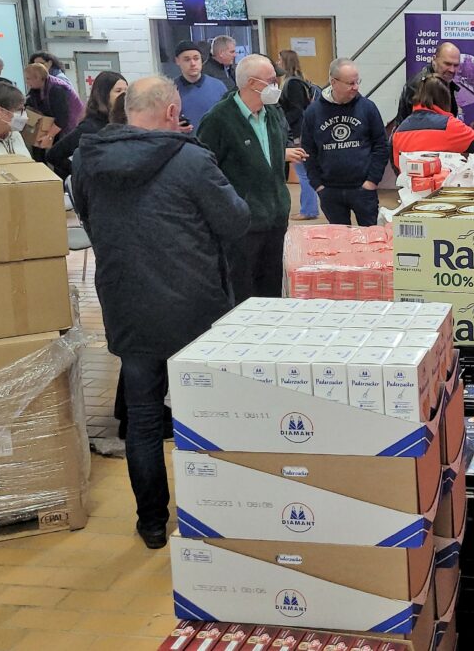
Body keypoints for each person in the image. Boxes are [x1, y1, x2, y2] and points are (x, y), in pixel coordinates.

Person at [72, 76, 250, 549]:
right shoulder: (190, 160)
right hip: (195, 308)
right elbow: (235, 221)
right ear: (172, 112)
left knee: (144, 419)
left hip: (128, 303)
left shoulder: (88, 159)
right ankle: (213, 515)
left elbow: (89, 219)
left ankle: (151, 523)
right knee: (207, 416)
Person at [195, 54, 296, 301]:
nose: (276, 87)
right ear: (252, 83)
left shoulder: (272, 113)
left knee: (272, 290)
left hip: (276, 219)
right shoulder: (218, 120)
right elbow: (204, 171)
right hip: (242, 226)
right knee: (243, 292)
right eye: (271, 81)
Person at [302, 57, 389, 227]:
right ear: (333, 82)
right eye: (350, 83)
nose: (356, 87)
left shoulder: (367, 108)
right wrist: (318, 185)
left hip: (363, 189)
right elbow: (308, 151)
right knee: (339, 242)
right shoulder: (313, 112)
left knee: (372, 239)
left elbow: (381, 146)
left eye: (357, 81)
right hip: (329, 191)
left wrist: (372, 182)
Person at [391, 76, 474, 169]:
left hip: (409, 185)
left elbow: (398, 164)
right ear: (445, 100)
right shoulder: (449, 125)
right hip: (443, 185)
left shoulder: (399, 131)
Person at [43, 72, 127, 179]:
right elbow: (54, 155)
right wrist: (83, 174)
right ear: (103, 95)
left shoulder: (126, 123)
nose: (124, 95)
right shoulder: (90, 127)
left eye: (126, 91)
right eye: (118, 91)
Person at [276, 49, 321, 221]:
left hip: (298, 135)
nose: (277, 62)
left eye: (279, 60)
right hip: (300, 133)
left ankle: (308, 210)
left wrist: (281, 121)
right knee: (304, 172)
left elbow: (297, 110)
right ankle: (308, 208)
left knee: (303, 173)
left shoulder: (292, 84)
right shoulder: (296, 81)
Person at [395, 41, 462, 125]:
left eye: (456, 65)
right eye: (447, 64)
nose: (452, 70)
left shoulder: (445, 83)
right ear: (434, 60)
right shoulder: (418, 86)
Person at [174, 41, 227, 131]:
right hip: (184, 142)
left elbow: (229, 116)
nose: (193, 63)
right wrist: (173, 128)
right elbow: (160, 122)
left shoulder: (218, 87)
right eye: (187, 59)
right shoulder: (170, 90)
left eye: (196, 58)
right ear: (177, 61)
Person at [24, 62, 84, 140]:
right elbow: (28, 103)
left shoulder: (56, 89)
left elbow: (62, 118)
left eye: (28, 78)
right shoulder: (36, 88)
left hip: (71, 125)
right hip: (57, 124)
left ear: (38, 78)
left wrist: (49, 136)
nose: (26, 82)